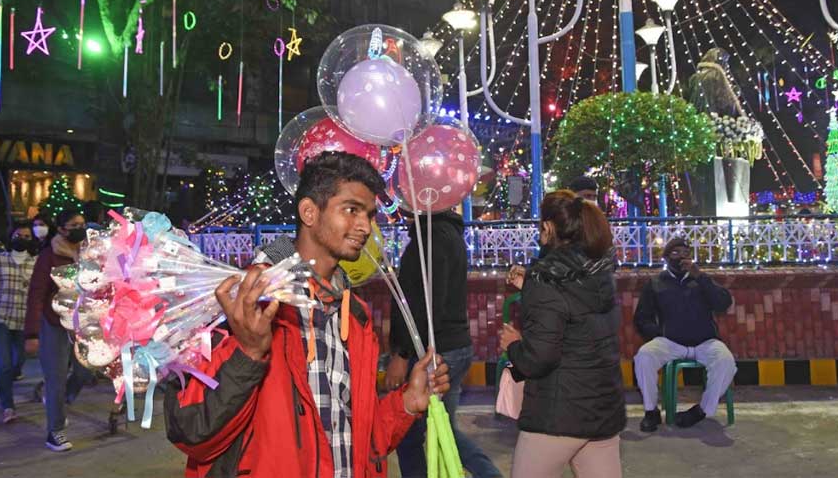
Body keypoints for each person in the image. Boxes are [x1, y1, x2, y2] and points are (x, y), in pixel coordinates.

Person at [164, 151, 450, 477]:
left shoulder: (356, 317)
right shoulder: (244, 300)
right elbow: (191, 430)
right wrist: (249, 352)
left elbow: (358, 441)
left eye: (369, 215)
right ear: (309, 212)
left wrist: (407, 403)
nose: (365, 227)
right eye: (351, 210)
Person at [501, 190, 625, 478]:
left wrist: (514, 346)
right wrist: (530, 287)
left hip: (558, 417)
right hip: (603, 411)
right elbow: (576, 315)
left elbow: (539, 358)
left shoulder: (546, 278)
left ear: (548, 227)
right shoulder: (600, 271)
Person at [385, 210, 502, 478]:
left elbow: (427, 304)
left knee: (428, 428)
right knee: (425, 428)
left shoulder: (432, 237)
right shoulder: (446, 233)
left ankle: (488, 473)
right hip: (448, 345)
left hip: (433, 350)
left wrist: (402, 354)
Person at [633, 236, 736, 432]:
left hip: (705, 341)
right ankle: (651, 411)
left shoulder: (701, 280)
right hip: (671, 342)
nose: (681, 257)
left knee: (725, 361)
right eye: (675, 253)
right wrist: (659, 333)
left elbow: (723, 303)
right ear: (665, 258)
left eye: (685, 253)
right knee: (644, 356)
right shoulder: (655, 283)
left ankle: (701, 411)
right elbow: (642, 318)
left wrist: (701, 277)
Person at [24, 209, 94, 451]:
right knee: (55, 378)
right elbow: (36, 295)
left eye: (82, 224)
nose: (80, 228)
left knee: (86, 371)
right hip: (53, 325)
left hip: (82, 324)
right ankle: (55, 432)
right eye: (74, 225)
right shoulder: (49, 256)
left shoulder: (89, 254)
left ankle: (60, 403)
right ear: (62, 229)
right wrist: (32, 333)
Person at [0, 221, 39, 423]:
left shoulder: (36, 263)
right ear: (11, 236)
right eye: (19, 235)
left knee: (19, 360)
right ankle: (8, 406)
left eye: (27, 236)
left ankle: (15, 373)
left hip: (24, 320)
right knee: (3, 364)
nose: (22, 239)